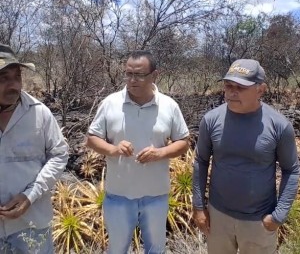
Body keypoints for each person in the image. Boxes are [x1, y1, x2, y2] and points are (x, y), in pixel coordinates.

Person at [86, 50, 189, 254]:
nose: (133, 80)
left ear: (154, 75)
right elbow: (91, 139)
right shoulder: (110, 103)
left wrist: (160, 153)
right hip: (118, 196)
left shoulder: (169, 106)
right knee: (116, 250)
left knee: (155, 250)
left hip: (156, 196)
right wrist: (113, 149)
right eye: (129, 74)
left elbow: (183, 142)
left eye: (140, 75)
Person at [192, 59, 299, 254]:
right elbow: (201, 161)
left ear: (261, 90)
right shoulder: (211, 120)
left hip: (259, 221)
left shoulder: (279, 126)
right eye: (228, 86)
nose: (232, 92)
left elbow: (291, 169)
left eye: (240, 87)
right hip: (218, 217)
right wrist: (199, 206)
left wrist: (278, 216)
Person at [0, 43, 69, 253]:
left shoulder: (40, 113)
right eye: (3, 78)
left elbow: (59, 154)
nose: (14, 85)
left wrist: (31, 195)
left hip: (31, 226)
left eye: (17, 76)